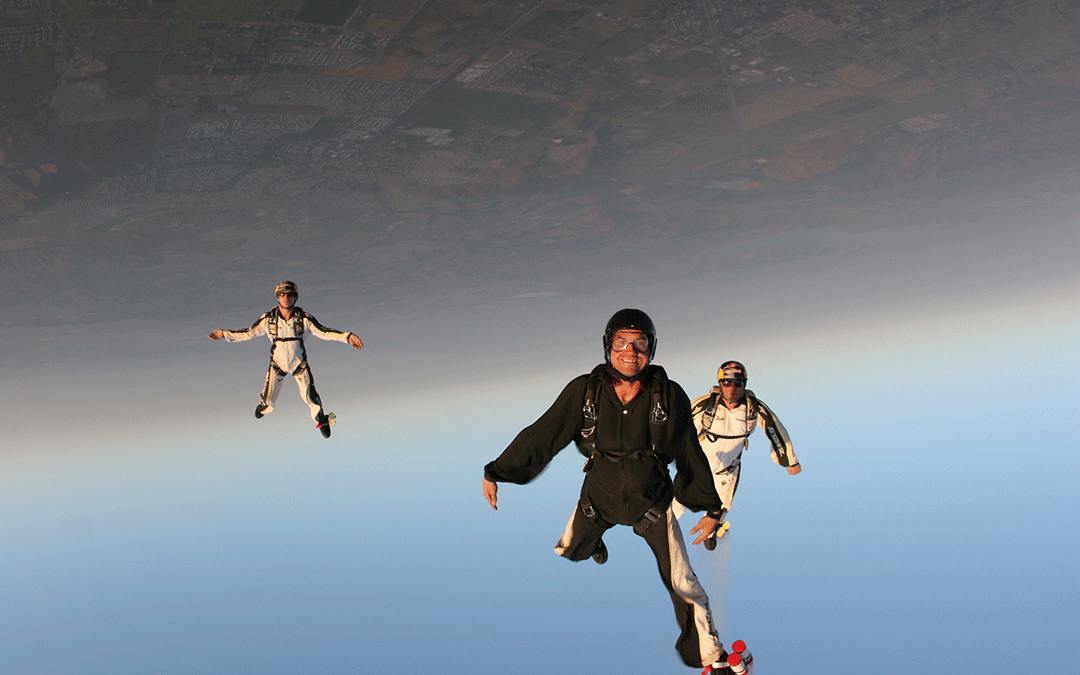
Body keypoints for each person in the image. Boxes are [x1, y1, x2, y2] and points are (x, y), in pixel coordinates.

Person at [482, 309, 735, 672]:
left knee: (683, 583)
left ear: (652, 348)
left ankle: (710, 656)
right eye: (621, 342)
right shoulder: (586, 391)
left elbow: (688, 452)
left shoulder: (669, 395)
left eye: (640, 343)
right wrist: (497, 471)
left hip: (651, 508)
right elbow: (544, 433)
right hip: (596, 502)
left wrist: (712, 509)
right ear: (608, 345)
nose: (630, 352)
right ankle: (593, 543)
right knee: (569, 550)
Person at [207, 280, 363, 438]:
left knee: (310, 396)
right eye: (282, 295)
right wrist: (225, 334)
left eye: (290, 295)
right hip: (278, 365)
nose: (286, 298)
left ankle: (321, 419)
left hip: (298, 364)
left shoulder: (304, 319)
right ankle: (264, 405)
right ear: (277, 297)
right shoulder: (268, 320)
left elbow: (324, 332)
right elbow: (249, 333)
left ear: (296, 298)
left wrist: (347, 337)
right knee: (268, 403)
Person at [674, 360, 800, 549]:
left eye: (738, 383)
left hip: (727, 470)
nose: (732, 389)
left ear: (744, 385)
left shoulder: (753, 408)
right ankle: (664, 535)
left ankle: (711, 530)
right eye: (727, 383)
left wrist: (789, 460)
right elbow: (676, 423)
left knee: (722, 507)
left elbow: (775, 428)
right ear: (720, 384)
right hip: (698, 467)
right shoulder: (705, 405)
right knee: (676, 506)